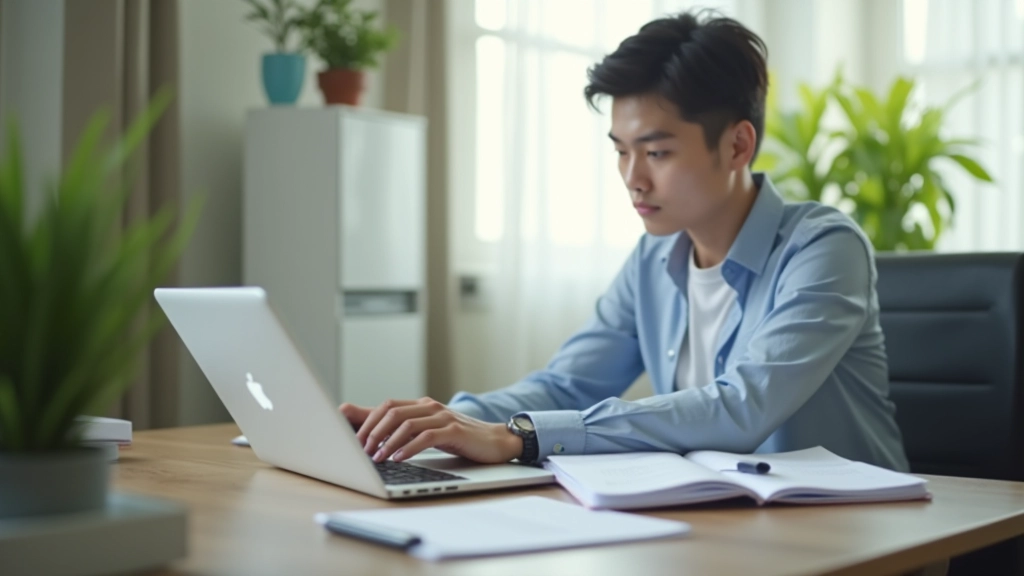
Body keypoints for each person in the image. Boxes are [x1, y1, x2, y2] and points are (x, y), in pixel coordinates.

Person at [339, 9, 909, 473]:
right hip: (719, 524)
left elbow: (743, 405)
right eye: (620, 149)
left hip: (854, 533)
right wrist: (442, 422)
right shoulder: (655, 256)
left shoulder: (824, 248)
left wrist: (519, 438)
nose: (633, 176)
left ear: (737, 146)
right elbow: (567, 384)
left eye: (657, 152)